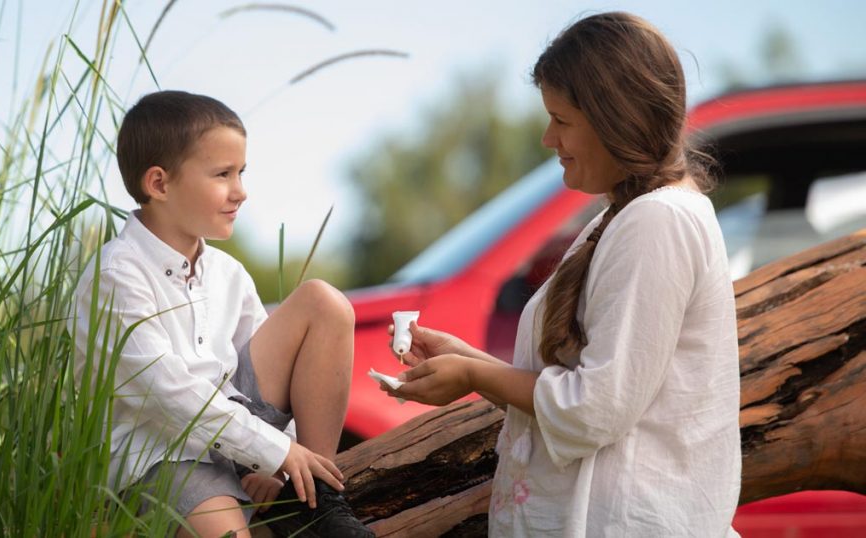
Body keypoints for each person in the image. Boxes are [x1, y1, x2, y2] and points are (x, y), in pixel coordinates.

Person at [381, 12, 741, 537]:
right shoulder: (620, 217)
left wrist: (476, 376)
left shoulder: (658, 221)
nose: (549, 139)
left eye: (562, 119)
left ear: (614, 118)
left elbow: (595, 408)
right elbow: (578, 388)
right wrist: (467, 362)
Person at [70, 90, 373, 538]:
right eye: (222, 174)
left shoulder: (227, 273)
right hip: (162, 453)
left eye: (242, 173)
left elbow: (279, 384)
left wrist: (284, 453)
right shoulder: (116, 275)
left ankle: (314, 497)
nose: (241, 191)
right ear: (159, 184)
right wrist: (272, 450)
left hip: (235, 430)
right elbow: (171, 395)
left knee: (323, 302)